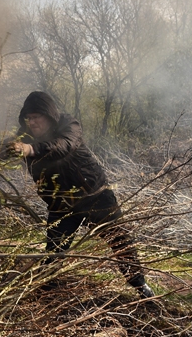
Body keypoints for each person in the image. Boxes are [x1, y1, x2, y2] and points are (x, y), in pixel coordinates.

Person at [10, 91, 154, 299]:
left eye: (36, 117)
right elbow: (4, 150)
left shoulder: (69, 126)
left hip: (94, 195)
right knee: (54, 251)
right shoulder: (24, 137)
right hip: (61, 202)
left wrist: (30, 149)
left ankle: (141, 286)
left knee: (119, 240)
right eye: (28, 118)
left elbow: (63, 147)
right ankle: (47, 297)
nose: (32, 122)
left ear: (48, 115)